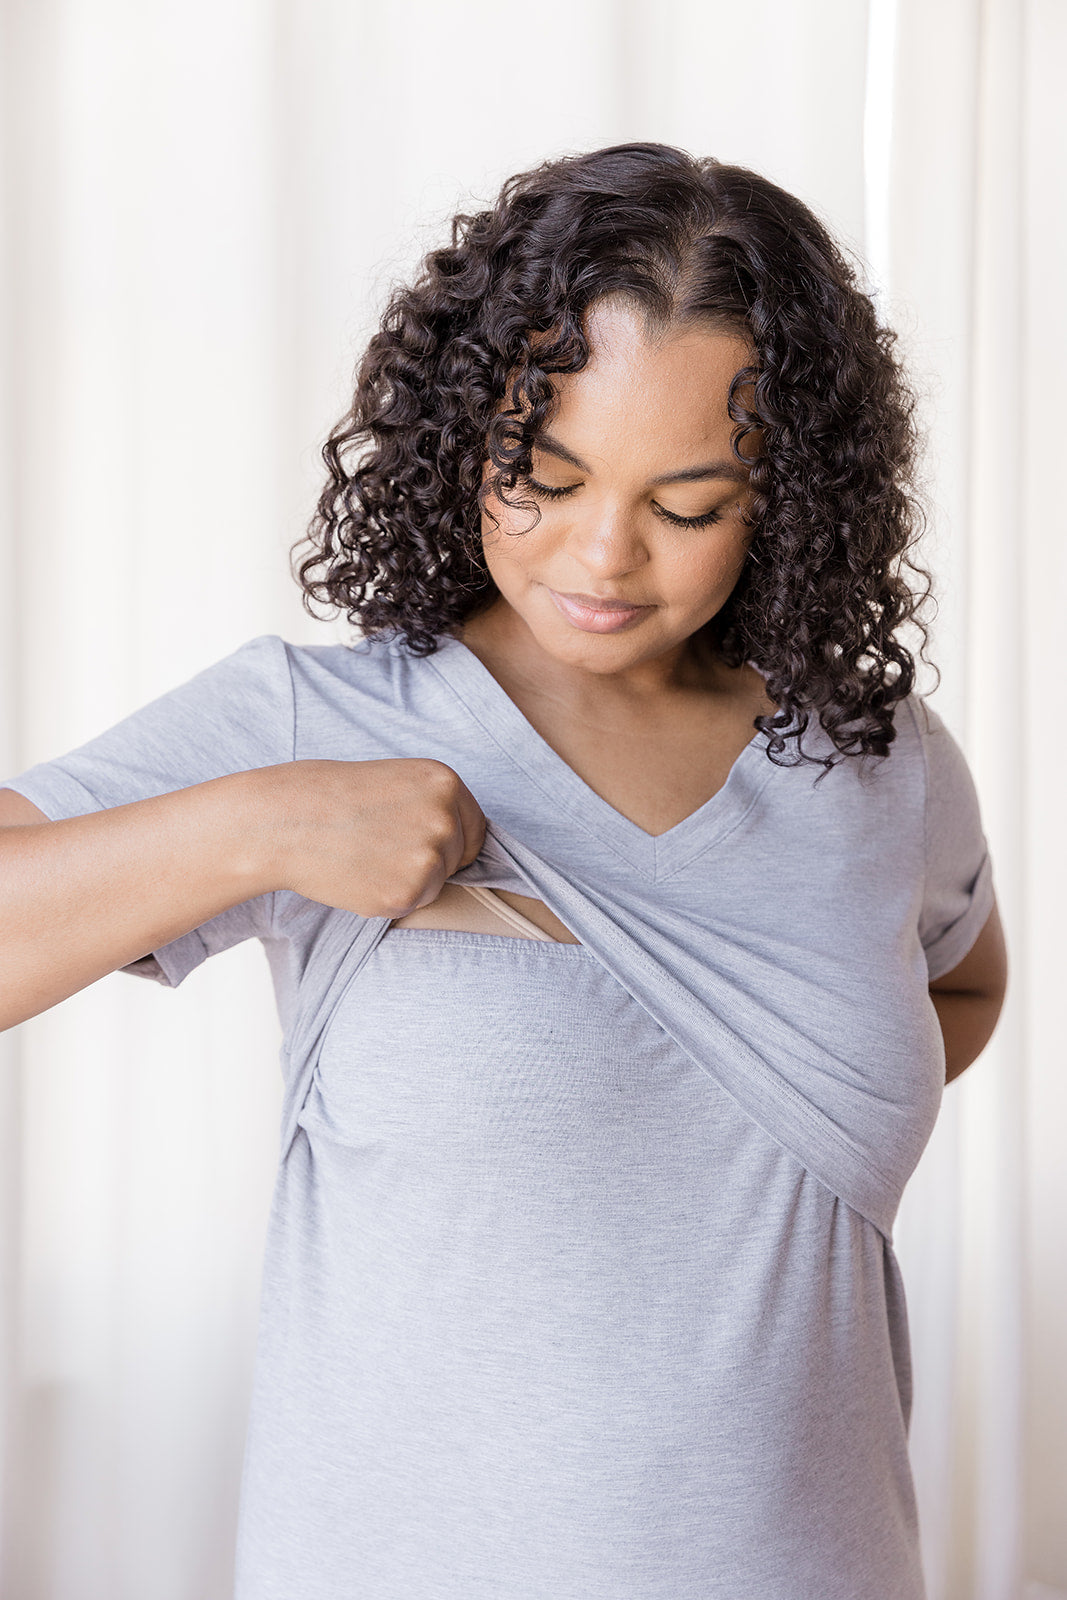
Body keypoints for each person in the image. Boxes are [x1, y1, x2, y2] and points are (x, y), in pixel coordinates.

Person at [0, 142, 1007, 1599]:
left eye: (687, 504)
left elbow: (958, 983)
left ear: (786, 499)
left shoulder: (875, 760)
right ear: (463, 432)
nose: (604, 554)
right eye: (544, 473)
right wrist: (260, 827)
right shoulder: (325, 723)